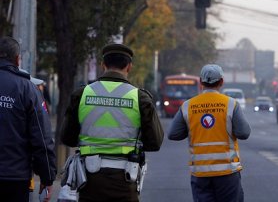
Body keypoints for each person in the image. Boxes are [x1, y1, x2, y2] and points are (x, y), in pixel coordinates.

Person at [61, 42, 164, 202]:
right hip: (125, 181)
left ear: (103, 65)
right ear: (129, 67)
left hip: (89, 180)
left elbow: (67, 138)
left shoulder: (82, 94)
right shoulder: (140, 98)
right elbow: (154, 143)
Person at [168, 64, 251, 202]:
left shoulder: (188, 106)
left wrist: (192, 127)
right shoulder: (231, 104)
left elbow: (173, 134)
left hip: (201, 173)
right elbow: (244, 133)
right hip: (227, 173)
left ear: (201, 82)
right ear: (222, 82)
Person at [0, 36, 57, 202]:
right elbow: (41, 137)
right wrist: (47, 177)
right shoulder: (28, 89)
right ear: (18, 60)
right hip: (14, 179)